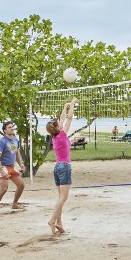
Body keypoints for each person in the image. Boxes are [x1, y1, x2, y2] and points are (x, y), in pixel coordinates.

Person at [46, 98, 77, 235]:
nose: (61, 122)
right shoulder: (63, 134)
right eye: (59, 123)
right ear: (58, 127)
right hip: (64, 167)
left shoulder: (54, 136)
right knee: (63, 198)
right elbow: (69, 118)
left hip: (57, 167)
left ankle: (59, 223)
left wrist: (65, 106)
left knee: (60, 198)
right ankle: (52, 220)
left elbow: (62, 118)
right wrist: (73, 103)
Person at [0, 121, 26, 216]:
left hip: (11, 167)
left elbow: (17, 153)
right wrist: (2, 171)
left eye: (12, 127)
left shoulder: (15, 140)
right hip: (3, 167)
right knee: (4, 188)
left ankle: (14, 204)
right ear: (5, 130)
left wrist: (21, 164)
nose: (12, 128)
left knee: (21, 185)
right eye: (9, 127)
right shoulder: (2, 142)